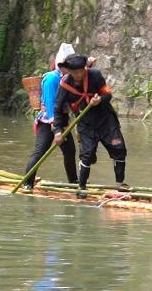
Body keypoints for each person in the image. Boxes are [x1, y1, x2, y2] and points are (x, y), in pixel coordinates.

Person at [52, 53, 128, 198]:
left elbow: (108, 94)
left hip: (106, 120)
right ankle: (82, 188)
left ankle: (120, 185)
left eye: (81, 71)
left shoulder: (95, 75)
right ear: (69, 71)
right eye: (75, 72)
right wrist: (57, 131)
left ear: (85, 68)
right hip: (85, 123)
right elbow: (57, 108)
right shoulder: (65, 84)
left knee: (119, 149)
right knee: (86, 156)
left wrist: (100, 100)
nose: (79, 74)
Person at [20, 44, 79, 192]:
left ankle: (73, 181)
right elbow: (50, 101)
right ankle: (28, 182)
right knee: (40, 151)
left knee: (70, 151)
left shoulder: (69, 78)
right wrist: (55, 125)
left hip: (63, 119)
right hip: (48, 121)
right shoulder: (51, 79)